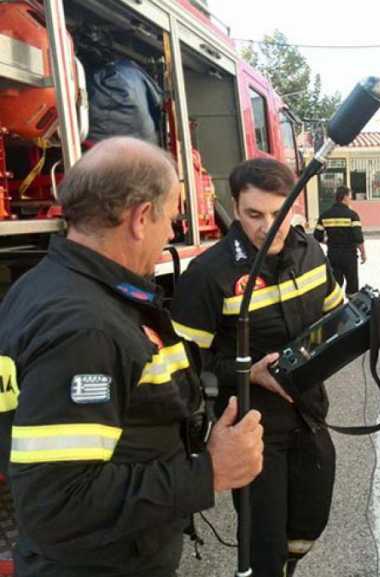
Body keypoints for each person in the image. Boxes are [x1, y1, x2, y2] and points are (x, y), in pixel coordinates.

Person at [0, 137, 264, 577]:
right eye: (171, 220)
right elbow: (56, 504)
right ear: (142, 217)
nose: (171, 236)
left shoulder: (45, 286)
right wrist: (210, 472)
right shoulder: (85, 329)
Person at [171, 157, 343, 577]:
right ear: (234, 205)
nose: (269, 227)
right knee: (262, 545)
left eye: (279, 213)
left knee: (309, 521)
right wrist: (247, 373)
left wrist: (361, 329)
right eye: (254, 214)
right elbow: (181, 366)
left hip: (310, 416)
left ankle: (288, 567)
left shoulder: (311, 252)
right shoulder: (208, 273)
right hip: (253, 429)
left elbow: (334, 317)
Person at [313, 185, 366, 295]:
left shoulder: (325, 215)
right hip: (349, 256)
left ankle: (336, 308)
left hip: (333, 255)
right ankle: (351, 308)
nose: (351, 199)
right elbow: (358, 238)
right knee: (352, 285)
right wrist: (363, 253)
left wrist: (328, 242)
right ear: (345, 197)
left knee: (335, 286)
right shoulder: (352, 215)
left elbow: (317, 236)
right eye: (350, 196)